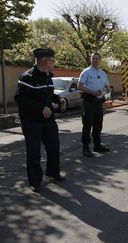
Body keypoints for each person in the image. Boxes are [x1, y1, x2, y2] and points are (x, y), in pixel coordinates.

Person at [14, 48, 66, 192]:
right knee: (34, 152)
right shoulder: (27, 77)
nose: (54, 63)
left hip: (48, 121)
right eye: (53, 60)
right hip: (32, 122)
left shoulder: (47, 76)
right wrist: (41, 108)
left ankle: (53, 172)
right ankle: (35, 181)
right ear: (45, 61)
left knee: (54, 147)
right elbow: (20, 98)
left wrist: (58, 99)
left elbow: (47, 94)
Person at [78, 53, 111, 157]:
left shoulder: (102, 73)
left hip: (98, 102)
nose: (95, 60)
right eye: (93, 58)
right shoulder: (86, 72)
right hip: (88, 101)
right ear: (91, 60)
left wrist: (105, 92)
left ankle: (97, 145)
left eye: (97, 58)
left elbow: (108, 87)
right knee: (87, 124)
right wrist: (93, 92)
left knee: (98, 124)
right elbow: (79, 86)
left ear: (100, 60)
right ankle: (85, 148)